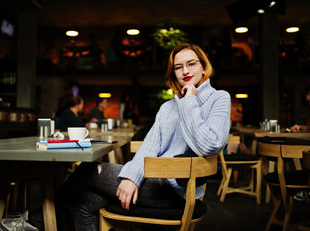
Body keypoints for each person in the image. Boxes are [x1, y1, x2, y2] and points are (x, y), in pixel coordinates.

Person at [29, 43, 231, 230]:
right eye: (178, 67)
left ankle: (33, 222)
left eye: (191, 64)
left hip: (177, 192)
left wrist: (189, 101)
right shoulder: (167, 107)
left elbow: (209, 145)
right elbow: (149, 147)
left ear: (204, 67)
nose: (185, 71)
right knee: (83, 202)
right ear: (174, 73)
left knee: (88, 170)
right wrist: (132, 178)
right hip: (152, 182)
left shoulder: (219, 98)